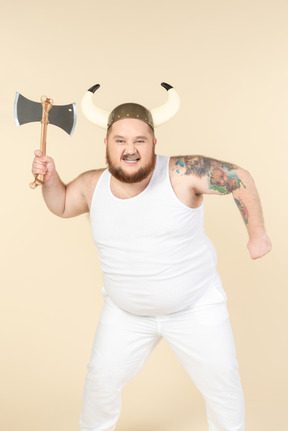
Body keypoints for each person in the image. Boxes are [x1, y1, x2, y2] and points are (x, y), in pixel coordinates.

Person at [32, 83, 271, 431]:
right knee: (100, 382)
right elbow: (63, 204)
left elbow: (238, 178)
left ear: (154, 144)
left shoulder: (182, 173)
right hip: (126, 313)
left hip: (194, 307)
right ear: (107, 144)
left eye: (139, 141)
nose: (130, 149)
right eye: (120, 141)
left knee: (222, 384)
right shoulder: (90, 185)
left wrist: (257, 234)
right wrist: (50, 179)